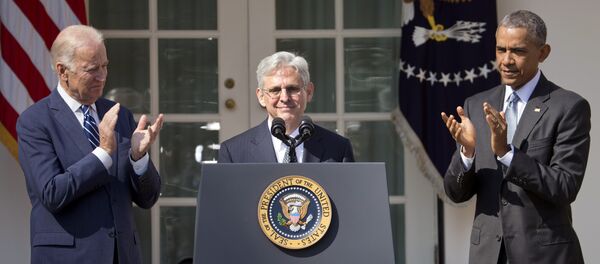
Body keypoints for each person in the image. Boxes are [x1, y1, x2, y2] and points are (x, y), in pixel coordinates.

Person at [441, 10, 589, 264]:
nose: (506, 60)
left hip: (545, 256)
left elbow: (565, 186)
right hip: (487, 255)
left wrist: (506, 154)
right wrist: (467, 154)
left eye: (518, 51)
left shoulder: (568, 107)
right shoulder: (476, 105)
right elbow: (455, 194)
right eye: (500, 49)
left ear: (543, 53)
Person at [17, 25, 164, 264]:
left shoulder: (119, 115)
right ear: (63, 71)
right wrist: (103, 153)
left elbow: (148, 198)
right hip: (67, 257)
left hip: (122, 255)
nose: (103, 76)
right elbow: (52, 193)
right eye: (92, 69)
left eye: (105, 66)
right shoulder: (35, 121)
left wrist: (138, 159)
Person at [219, 51, 354, 163]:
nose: (284, 98)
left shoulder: (338, 148)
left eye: (292, 89)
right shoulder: (233, 152)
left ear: (308, 92)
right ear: (261, 97)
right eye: (275, 90)